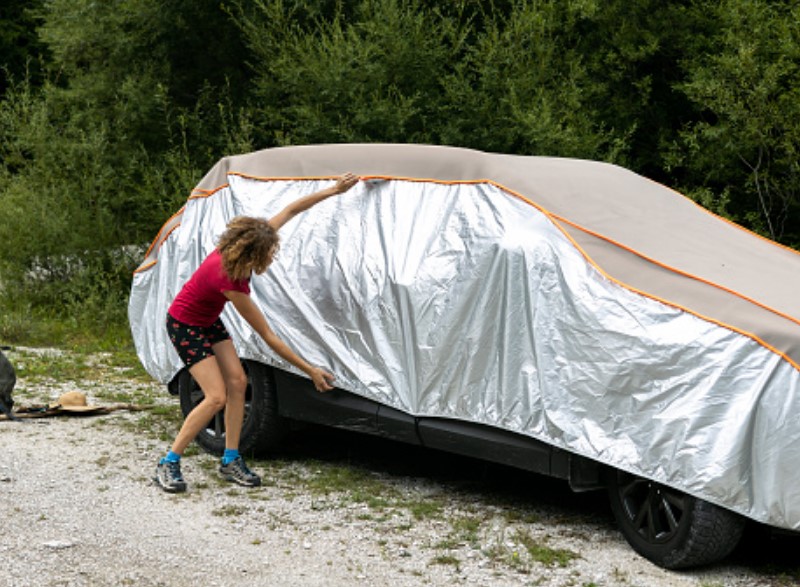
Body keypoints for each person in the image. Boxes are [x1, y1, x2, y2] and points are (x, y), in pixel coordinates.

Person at [154, 172, 360, 493]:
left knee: (238, 382)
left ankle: (230, 458)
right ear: (253, 255)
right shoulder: (230, 281)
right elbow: (268, 336)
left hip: (207, 320)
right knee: (216, 396)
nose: (271, 256)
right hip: (184, 324)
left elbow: (291, 210)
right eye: (269, 254)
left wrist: (335, 190)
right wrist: (309, 371)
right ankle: (168, 462)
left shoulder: (248, 241)